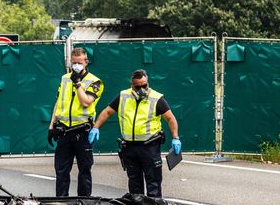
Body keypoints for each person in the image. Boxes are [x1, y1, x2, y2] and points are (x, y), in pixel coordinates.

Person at [92, 69, 181, 197]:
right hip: (129, 147)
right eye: (138, 87)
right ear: (132, 85)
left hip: (149, 146)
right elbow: (107, 112)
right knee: (134, 184)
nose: (142, 89)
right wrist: (96, 127)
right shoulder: (123, 96)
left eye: (144, 85)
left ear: (147, 83)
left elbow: (170, 118)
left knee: (153, 183)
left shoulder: (156, 98)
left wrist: (175, 137)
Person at [48, 47, 104, 197]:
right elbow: (58, 103)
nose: (76, 66)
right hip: (64, 131)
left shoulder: (95, 81)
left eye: (79, 63)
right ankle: (61, 202)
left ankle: (84, 201)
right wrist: (51, 126)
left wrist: (78, 84)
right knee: (61, 170)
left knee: (84, 169)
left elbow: (86, 102)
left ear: (86, 62)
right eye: (74, 63)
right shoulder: (65, 78)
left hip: (82, 132)